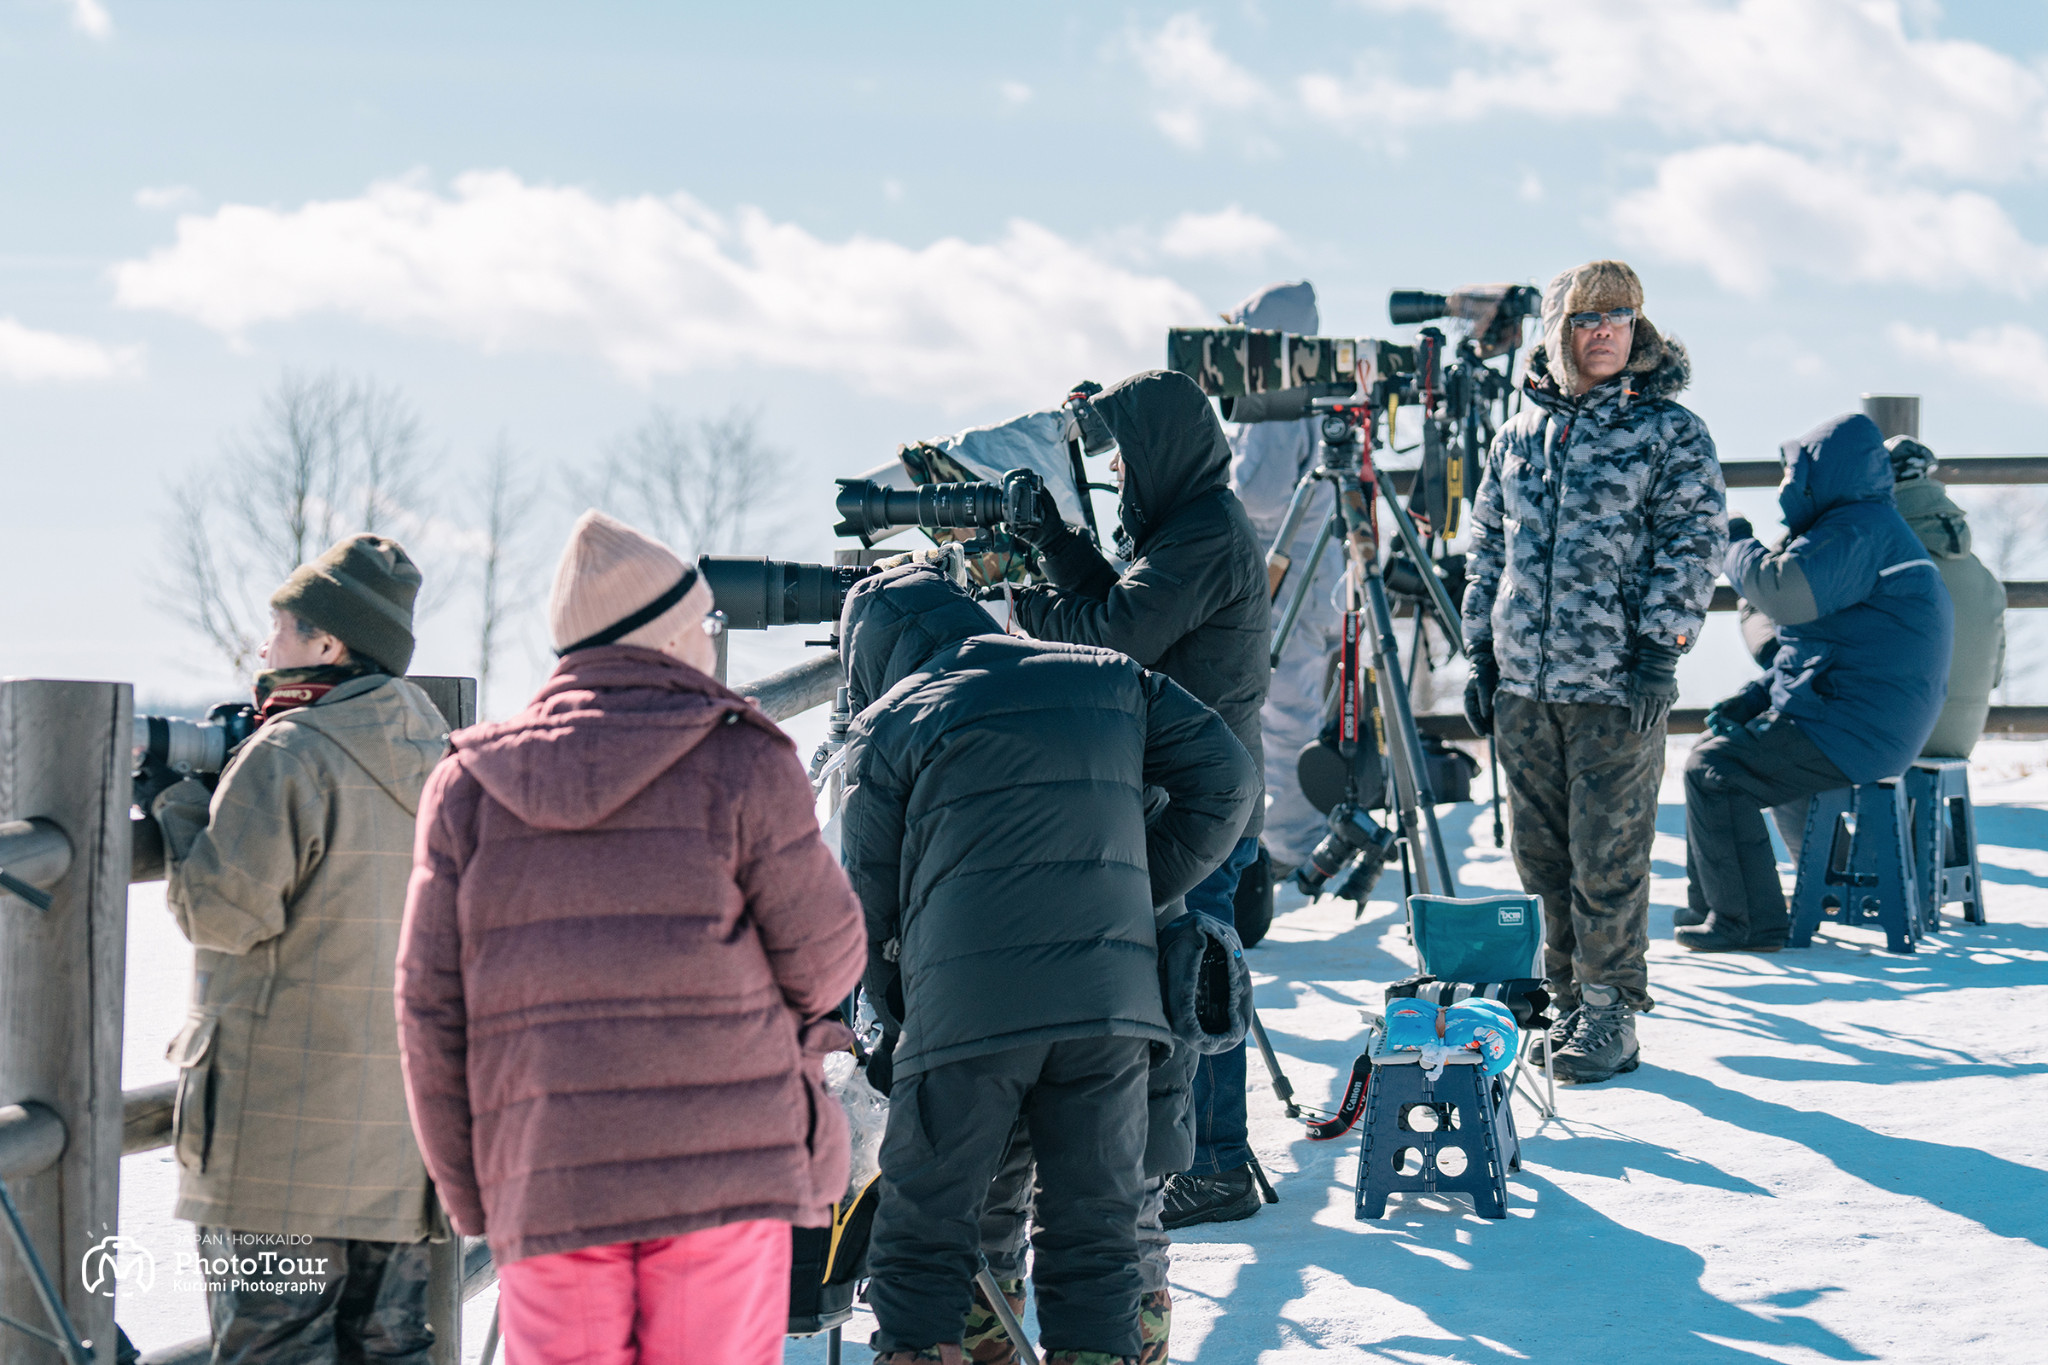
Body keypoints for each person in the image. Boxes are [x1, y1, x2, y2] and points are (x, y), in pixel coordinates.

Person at [395, 511, 865, 1365]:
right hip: (726, 1171)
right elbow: (828, 958)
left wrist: (479, 1193)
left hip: (547, 1179)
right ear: (677, 634)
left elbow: (428, 1014)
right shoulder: (744, 762)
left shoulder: (467, 784)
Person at [841, 564, 1257, 1365]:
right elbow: (1228, 779)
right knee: (1096, 1235)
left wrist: (897, 1010)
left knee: (926, 1226)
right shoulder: (1106, 674)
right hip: (1111, 1011)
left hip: (964, 1014)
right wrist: (1129, 892)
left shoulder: (895, 717)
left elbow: (866, 904)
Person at [152, 534, 450, 1364]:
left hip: (278, 1143)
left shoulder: (288, 753)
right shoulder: (442, 757)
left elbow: (221, 912)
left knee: (274, 1348)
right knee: (388, 1348)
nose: (264, 647)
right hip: (397, 1144)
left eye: (280, 628)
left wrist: (180, 811)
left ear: (327, 642)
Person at [1007, 368, 1271, 1228]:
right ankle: (1206, 1151)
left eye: (1124, 457)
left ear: (1161, 451)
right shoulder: (1189, 524)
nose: (1117, 475)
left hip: (1197, 802)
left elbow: (1110, 637)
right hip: (1197, 793)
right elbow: (1122, 605)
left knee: (1199, 972)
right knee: (1195, 963)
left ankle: (1218, 1161)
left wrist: (1018, 609)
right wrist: (1052, 540)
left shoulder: (1202, 539)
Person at [1460, 259, 1725, 1084]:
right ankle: (1567, 998)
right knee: (1540, 857)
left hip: (1617, 685)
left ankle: (1612, 1010)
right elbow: (1487, 548)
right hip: (1525, 688)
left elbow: (1695, 543)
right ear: (1558, 331)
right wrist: (1480, 651)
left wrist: (1660, 647)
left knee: (1609, 855)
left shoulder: (1669, 432)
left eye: (1619, 315)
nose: (1605, 330)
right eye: (1587, 317)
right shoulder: (1516, 434)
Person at [1680, 415, 1953, 952]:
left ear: (1820, 475)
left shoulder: (1858, 530)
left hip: (1857, 727)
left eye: (1792, 471)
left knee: (1715, 772)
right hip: (1854, 716)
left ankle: (1749, 923)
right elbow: (1819, 643)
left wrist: (1735, 539)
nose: (1785, 485)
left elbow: (1780, 594)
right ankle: (1716, 904)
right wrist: (1756, 697)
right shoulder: (1859, 527)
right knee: (1713, 752)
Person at [1738, 434, 2007, 863]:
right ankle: (1922, 874)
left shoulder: (1863, 545)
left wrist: (1772, 650)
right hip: (1959, 733)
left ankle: (1831, 882)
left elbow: (1779, 607)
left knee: (1782, 768)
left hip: (1890, 726)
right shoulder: (1978, 570)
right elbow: (1996, 672)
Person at [1224, 280, 1345, 885]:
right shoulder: (1316, 389)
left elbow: (1262, 492)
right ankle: (1302, 837)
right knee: (1301, 706)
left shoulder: (1275, 397)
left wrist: (1211, 480)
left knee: (1283, 711)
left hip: (1284, 575)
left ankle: (1293, 846)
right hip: (1313, 572)